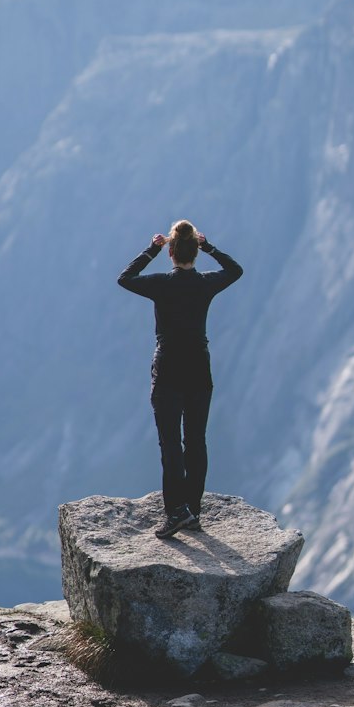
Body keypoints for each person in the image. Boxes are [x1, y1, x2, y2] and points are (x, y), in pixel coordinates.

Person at [118, 220, 243, 538]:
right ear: (195, 252)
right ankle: (193, 510)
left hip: (169, 369)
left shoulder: (161, 283)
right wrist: (210, 246)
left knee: (171, 444)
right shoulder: (205, 283)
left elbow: (125, 278)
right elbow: (235, 270)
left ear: (171, 251)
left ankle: (176, 513)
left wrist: (151, 250)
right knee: (196, 441)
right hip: (199, 368)